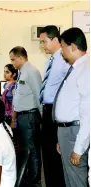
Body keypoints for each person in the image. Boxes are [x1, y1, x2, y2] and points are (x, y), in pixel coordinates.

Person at [53, 27, 90, 187]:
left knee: (76, 180)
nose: (61, 51)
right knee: (69, 178)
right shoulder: (77, 68)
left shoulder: (86, 69)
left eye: (62, 46)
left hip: (75, 132)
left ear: (73, 46)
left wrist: (79, 148)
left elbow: (88, 113)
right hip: (67, 131)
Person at [39, 25, 69, 187]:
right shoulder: (49, 62)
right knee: (48, 155)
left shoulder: (64, 60)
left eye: (44, 42)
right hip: (47, 111)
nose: (42, 46)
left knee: (55, 156)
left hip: (56, 112)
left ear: (55, 40)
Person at [10, 46, 42, 187]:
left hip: (30, 116)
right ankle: (28, 176)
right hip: (23, 116)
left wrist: (43, 119)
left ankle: (35, 181)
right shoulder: (22, 72)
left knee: (32, 150)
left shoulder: (31, 72)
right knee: (25, 149)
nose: (12, 63)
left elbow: (38, 95)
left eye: (13, 59)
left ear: (21, 57)